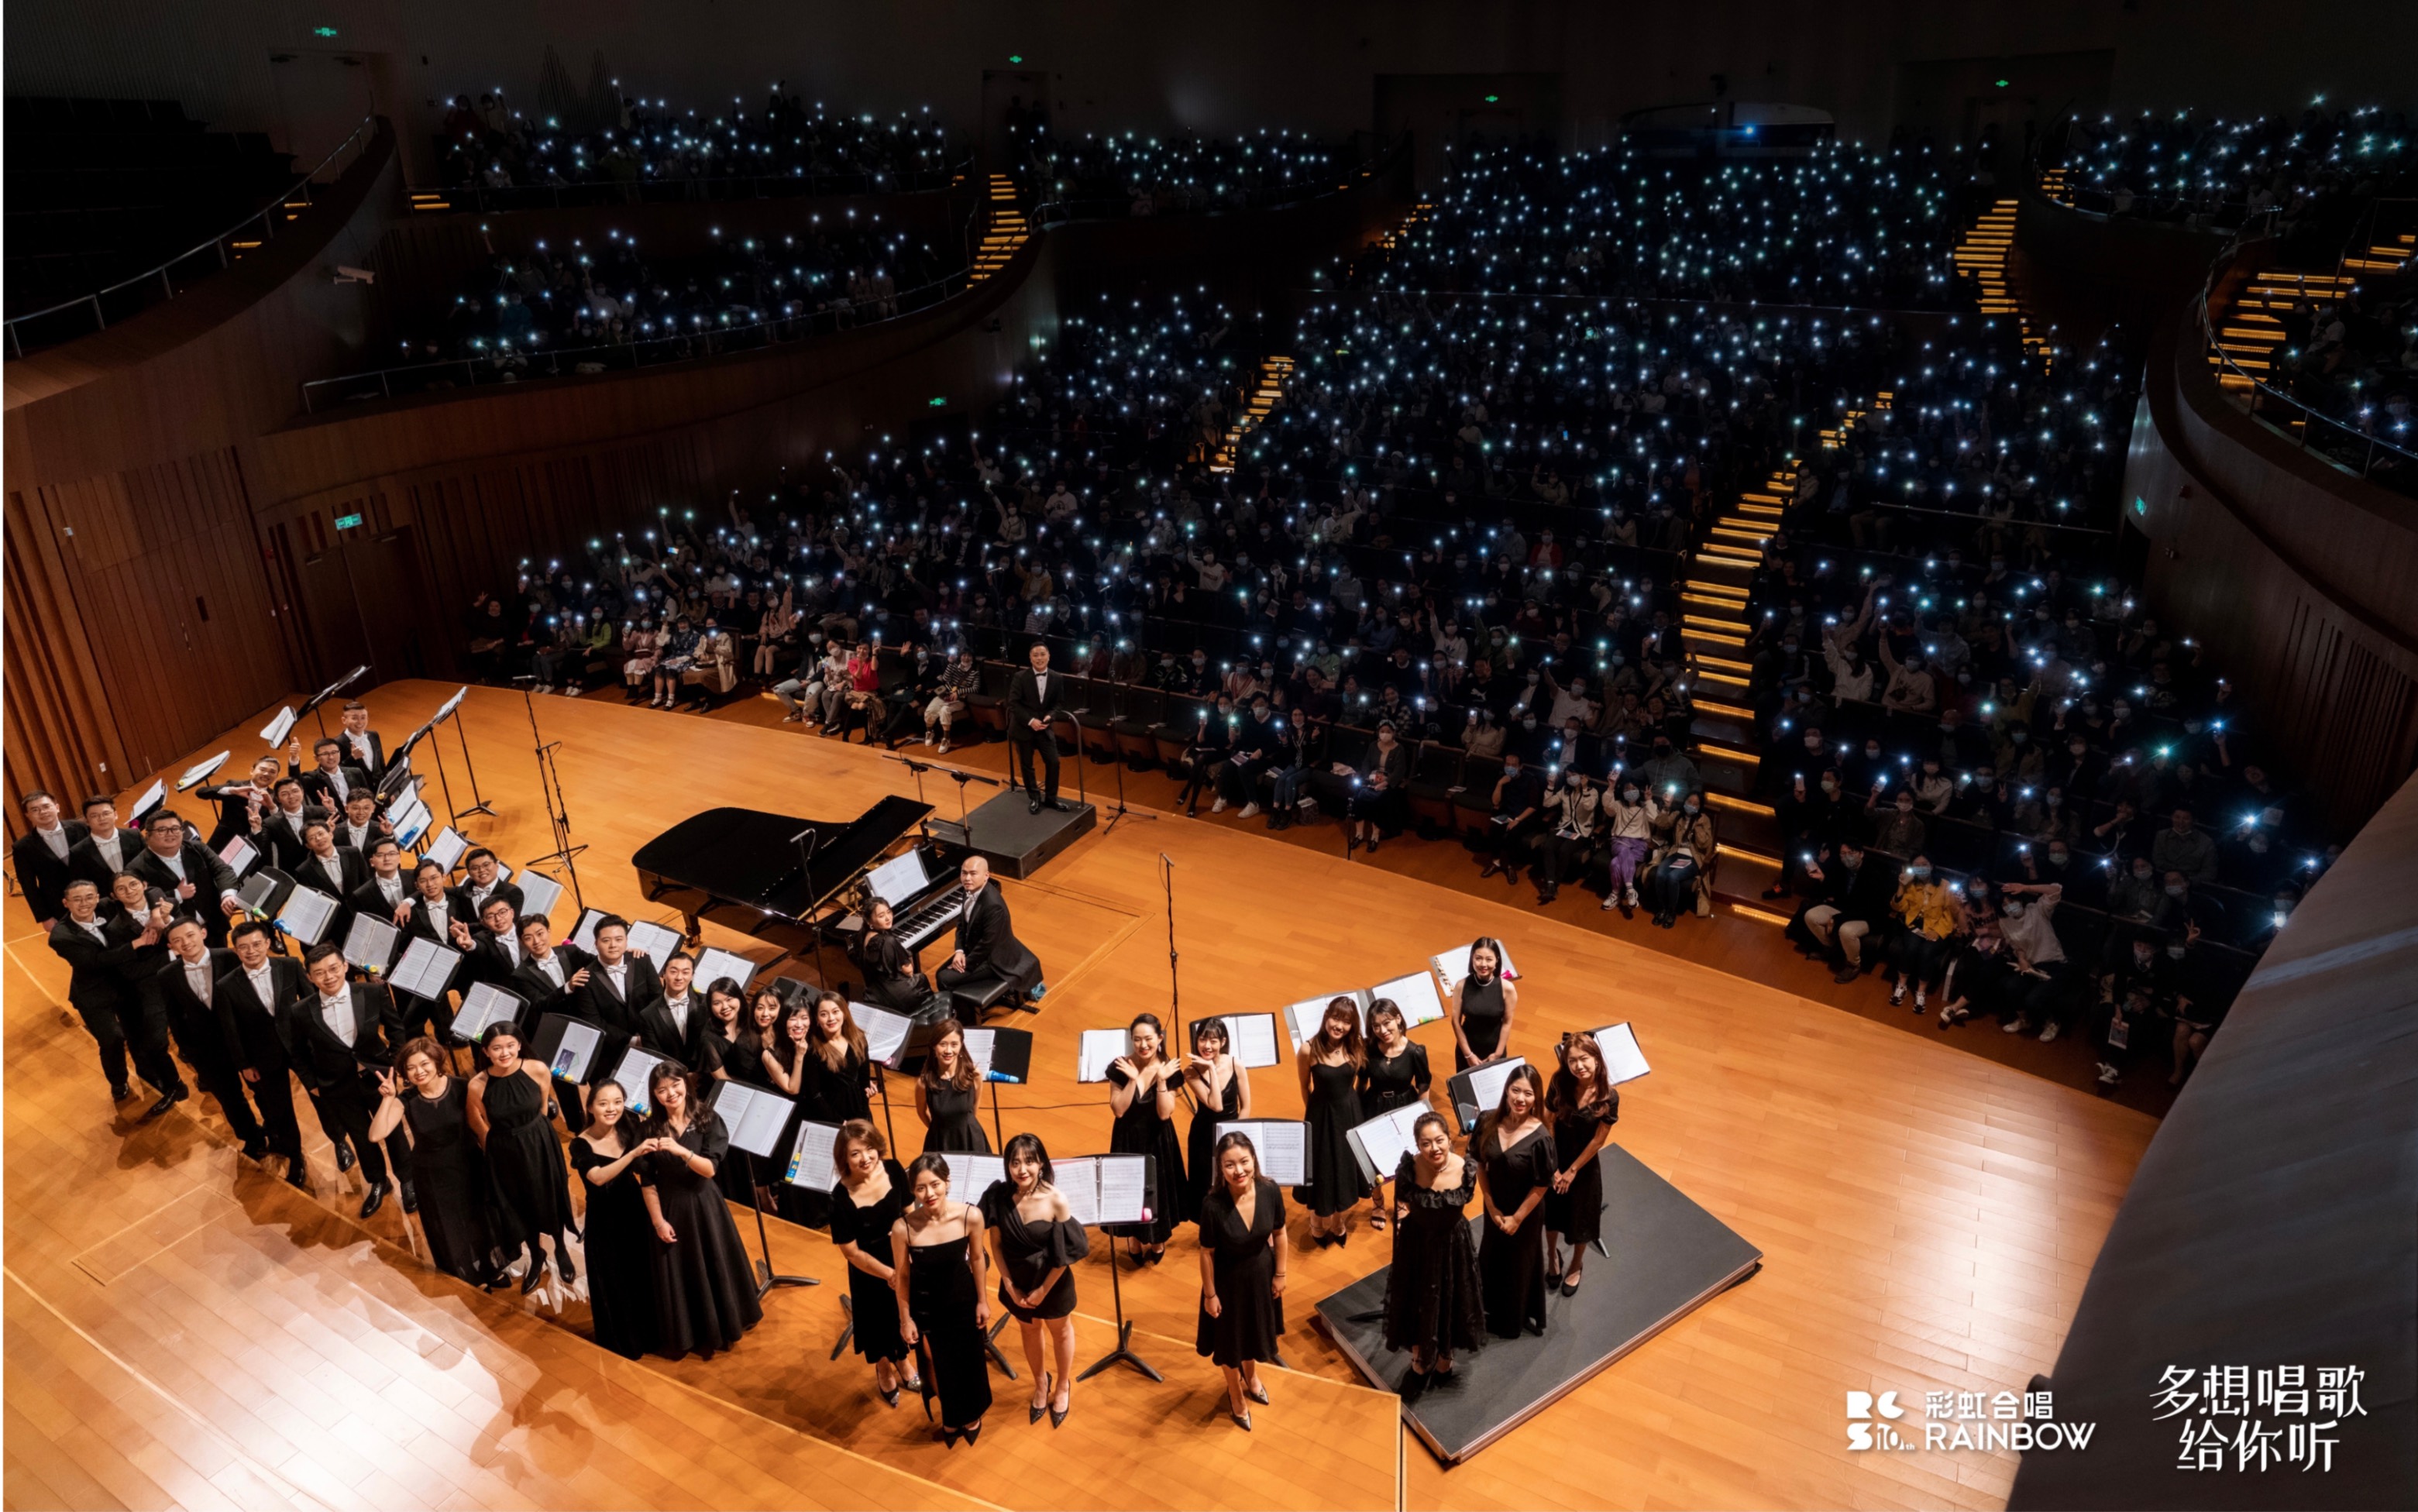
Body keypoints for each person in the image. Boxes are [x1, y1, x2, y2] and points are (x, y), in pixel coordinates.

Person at [635, 1062, 764, 1357]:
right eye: (662, 1090)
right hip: (671, 1208)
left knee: (714, 1264)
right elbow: (647, 1183)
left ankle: (725, 1325)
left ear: (686, 1083)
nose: (671, 1093)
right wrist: (658, 1223)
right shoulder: (648, 1129)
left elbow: (709, 1170)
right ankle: (690, 1334)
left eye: (675, 1085)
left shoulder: (707, 1118)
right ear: (654, 1095)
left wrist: (681, 1150)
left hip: (706, 1206)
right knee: (683, 1274)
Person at [368, 1036, 507, 1289]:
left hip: (470, 1164)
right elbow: (376, 1135)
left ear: (437, 1062)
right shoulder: (406, 1100)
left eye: (424, 1064)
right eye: (411, 1068)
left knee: (482, 1218)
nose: (419, 1072)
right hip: (432, 1174)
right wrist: (388, 1099)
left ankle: (493, 1268)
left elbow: (485, 1124)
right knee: (451, 1226)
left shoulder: (463, 1087)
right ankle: (471, 1276)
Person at [282, 942, 406, 1218]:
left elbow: (397, 1030)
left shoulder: (372, 992)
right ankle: (377, 1181)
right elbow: (297, 1051)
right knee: (361, 1137)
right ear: (310, 977)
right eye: (320, 973)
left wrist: (394, 1069)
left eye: (333, 968)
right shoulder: (300, 1011)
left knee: (394, 1130)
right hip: (336, 1085)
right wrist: (311, 1082)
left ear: (345, 966)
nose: (329, 977)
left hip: (379, 1077)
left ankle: (407, 1180)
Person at [47, 877, 184, 1118]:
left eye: (89, 897)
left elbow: (150, 890)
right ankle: (118, 1081)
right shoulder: (60, 936)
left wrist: (154, 912)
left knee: (138, 1037)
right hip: (93, 993)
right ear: (65, 903)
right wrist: (137, 943)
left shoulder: (108, 908)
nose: (84, 903)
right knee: (112, 1038)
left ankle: (157, 1081)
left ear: (98, 898)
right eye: (77, 900)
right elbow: (95, 962)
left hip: (125, 985)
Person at [981, 1133, 1086, 1427]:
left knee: (1060, 1331)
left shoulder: (1056, 1200)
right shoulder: (1000, 1198)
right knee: (1029, 1330)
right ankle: (1041, 1383)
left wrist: (1042, 1290)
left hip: (1051, 1281)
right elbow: (997, 1243)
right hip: (1017, 1281)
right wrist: (1009, 1284)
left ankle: (1063, 1384)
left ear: (1041, 1163)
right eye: (1015, 1163)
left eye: (1029, 1161)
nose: (1022, 1169)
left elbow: (1064, 1257)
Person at [468, 1022, 578, 1294]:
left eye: (510, 1045)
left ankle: (561, 1248)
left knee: (549, 1195)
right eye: (496, 1048)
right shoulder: (477, 1084)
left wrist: (535, 1133)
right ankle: (536, 1253)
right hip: (504, 1149)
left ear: (519, 1045)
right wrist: (492, 1148)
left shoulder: (537, 1069)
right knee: (518, 1205)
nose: (504, 1053)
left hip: (539, 1141)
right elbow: (479, 1120)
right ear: (486, 1051)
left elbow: (543, 1107)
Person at [891, 1153, 993, 1445]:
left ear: (947, 1182)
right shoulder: (903, 1228)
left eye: (935, 1184)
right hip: (926, 1306)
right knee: (935, 1361)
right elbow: (903, 1276)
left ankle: (971, 1413)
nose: (929, 1194)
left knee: (968, 1359)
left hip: (963, 1300)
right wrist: (905, 1318)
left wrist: (982, 1301)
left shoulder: (970, 1216)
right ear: (913, 1191)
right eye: (921, 1188)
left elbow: (977, 1259)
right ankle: (951, 1414)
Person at [155, 917, 270, 1160]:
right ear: (171, 948)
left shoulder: (230, 957)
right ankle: (251, 1137)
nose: (186, 943)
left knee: (263, 1090)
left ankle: (277, 1130)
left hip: (245, 1042)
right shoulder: (167, 975)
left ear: (204, 933)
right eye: (177, 941)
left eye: (190, 935)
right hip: (206, 1050)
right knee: (230, 1099)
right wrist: (189, 1051)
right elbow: (173, 1017)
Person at [1195, 1131, 1288, 1431]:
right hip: (1227, 1282)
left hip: (1261, 1275)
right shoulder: (1213, 1205)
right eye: (1230, 1165)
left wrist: (1280, 1273)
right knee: (1229, 1340)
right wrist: (1210, 1295)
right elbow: (1206, 1253)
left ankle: (1251, 1374)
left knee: (1255, 1333)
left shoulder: (1270, 1190)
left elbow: (1280, 1233)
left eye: (1244, 1162)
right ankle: (1235, 1390)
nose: (1239, 1171)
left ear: (1254, 1161)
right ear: (1220, 1169)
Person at [1383, 1111, 1484, 1383]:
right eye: (1426, 1143)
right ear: (1417, 1145)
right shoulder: (1408, 1169)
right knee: (1417, 1300)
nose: (1434, 1148)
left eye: (1439, 1140)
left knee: (1451, 1298)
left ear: (1450, 1139)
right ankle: (1420, 1350)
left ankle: (1444, 1352)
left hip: (1453, 1245)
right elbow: (1402, 1202)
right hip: (1417, 1245)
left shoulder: (1465, 1168)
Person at [215, 918, 311, 1184]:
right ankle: (296, 1156)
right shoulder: (226, 985)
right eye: (244, 947)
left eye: (257, 944)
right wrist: (244, 1064)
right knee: (281, 1110)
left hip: (300, 1048)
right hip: (263, 1056)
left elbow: (311, 1004)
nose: (251, 950)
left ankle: (339, 1141)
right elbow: (230, 1030)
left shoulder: (290, 965)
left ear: (269, 943)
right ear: (235, 950)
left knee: (323, 1097)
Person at [830, 1120, 917, 1405]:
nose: (865, 1158)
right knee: (878, 1322)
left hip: (902, 1257)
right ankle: (883, 1367)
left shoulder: (893, 1169)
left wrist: (910, 1254)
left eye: (869, 1149)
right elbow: (851, 1252)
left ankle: (903, 1361)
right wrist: (889, 1273)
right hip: (869, 1269)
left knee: (902, 1315)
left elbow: (909, 1212)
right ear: (844, 1158)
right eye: (855, 1153)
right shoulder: (840, 1197)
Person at [570, 1079, 656, 1359]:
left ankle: (651, 1335)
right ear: (591, 1107)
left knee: (642, 1272)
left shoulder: (628, 1124)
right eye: (604, 1103)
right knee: (616, 1280)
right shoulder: (581, 1144)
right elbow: (597, 1178)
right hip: (605, 1220)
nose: (612, 1108)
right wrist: (633, 1153)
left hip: (634, 1208)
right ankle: (625, 1342)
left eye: (618, 1102)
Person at [1474, 1064, 1552, 1338]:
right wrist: (1491, 1205)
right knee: (1491, 1255)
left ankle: (1512, 1320)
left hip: (1526, 1212)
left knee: (1520, 1264)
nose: (1520, 1099)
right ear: (1506, 1091)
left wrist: (1517, 1218)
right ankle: (1486, 1310)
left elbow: (1542, 1184)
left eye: (1528, 1094)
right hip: (1494, 1206)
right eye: (1515, 1090)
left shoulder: (1541, 1136)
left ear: (1536, 1098)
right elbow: (1480, 1165)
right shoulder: (1487, 1121)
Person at [1106, 1012, 1186, 1260]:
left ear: (1160, 1038)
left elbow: (1164, 1113)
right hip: (1128, 1138)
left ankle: (1158, 1239)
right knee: (1131, 1190)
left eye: (1149, 1039)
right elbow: (1119, 1110)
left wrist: (1161, 1081)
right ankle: (1133, 1237)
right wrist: (1132, 1081)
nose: (1143, 1045)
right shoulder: (1121, 1066)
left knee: (1157, 1190)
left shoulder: (1169, 1069)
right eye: (1137, 1040)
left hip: (1158, 1139)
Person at [1542, 1033, 1618, 1297]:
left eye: (1584, 1059)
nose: (1579, 1066)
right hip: (1556, 1158)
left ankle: (1576, 1264)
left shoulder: (1609, 1096)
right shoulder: (1559, 1083)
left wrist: (1572, 1171)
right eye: (1572, 1061)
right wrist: (1553, 1167)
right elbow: (1548, 1122)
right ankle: (1552, 1257)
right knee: (1552, 1215)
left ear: (1596, 1059)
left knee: (1582, 1219)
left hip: (1584, 1166)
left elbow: (1598, 1140)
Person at [1296, 996, 1369, 1246]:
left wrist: (1354, 1104)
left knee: (1343, 1166)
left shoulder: (1356, 1045)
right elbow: (1305, 1086)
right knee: (1322, 1168)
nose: (1339, 1025)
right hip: (1320, 1114)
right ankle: (1317, 1222)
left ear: (1352, 1025)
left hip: (1349, 1113)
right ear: (1326, 1016)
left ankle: (1338, 1221)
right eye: (1335, 1018)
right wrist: (1314, 1114)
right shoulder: (1309, 1049)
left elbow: (1362, 1079)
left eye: (1346, 1022)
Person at [1357, 998, 1433, 1231]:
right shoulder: (1369, 1048)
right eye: (1376, 1026)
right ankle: (1377, 1202)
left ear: (1398, 1019)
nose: (1382, 1031)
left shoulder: (1416, 1052)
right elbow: (1361, 1082)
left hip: (1404, 1106)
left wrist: (1426, 1120)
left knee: (1405, 1159)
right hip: (1374, 1105)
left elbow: (1423, 1086)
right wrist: (1356, 1114)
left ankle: (1401, 1201)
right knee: (1372, 1159)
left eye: (1387, 1023)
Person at [933, 855, 1044, 1006]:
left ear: (986, 876)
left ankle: (964, 1013)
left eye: (973, 873)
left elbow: (988, 944)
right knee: (940, 973)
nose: (967, 878)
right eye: (964, 873)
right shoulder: (969, 890)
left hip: (994, 959)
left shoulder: (993, 905)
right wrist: (959, 951)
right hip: (975, 949)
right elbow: (961, 924)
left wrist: (966, 963)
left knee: (944, 978)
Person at [1181, 1017, 1251, 1225]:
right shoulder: (1190, 1071)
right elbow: (1216, 1105)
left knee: (1233, 1181)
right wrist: (1211, 1069)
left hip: (1231, 1132)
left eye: (1213, 1041)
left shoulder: (1235, 1064)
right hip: (1204, 1135)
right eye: (1203, 1040)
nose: (1207, 1046)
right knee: (1207, 1186)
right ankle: (1211, 1229)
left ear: (1223, 1041)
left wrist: (1237, 1138)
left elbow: (1246, 1106)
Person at [1883, 856, 1966, 1015]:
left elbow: (1951, 914)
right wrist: (1901, 886)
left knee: (1927, 952)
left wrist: (1938, 931)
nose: (1921, 868)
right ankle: (1902, 985)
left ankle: (1921, 991)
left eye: (1924, 864)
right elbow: (1899, 907)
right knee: (1911, 947)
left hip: (1937, 928)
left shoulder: (1945, 886)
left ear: (1932, 866)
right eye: (1917, 865)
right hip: (1914, 926)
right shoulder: (1911, 883)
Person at [1007, 641, 1071, 814]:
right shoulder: (1020, 677)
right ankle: (1034, 798)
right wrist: (1031, 721)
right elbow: (1013, 703)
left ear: (1049, 656)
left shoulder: (1057, 678)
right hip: (1023, 727)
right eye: (1035, 655)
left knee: (1054, 762)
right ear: (1030, 658)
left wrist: (1051, 717)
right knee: (1027, 765)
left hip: (1044, 728)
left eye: (1042, 654)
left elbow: (1059, 704)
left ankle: (1051, 799)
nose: (1039, 658)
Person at [15, 791, 91, 930]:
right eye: (35, 810)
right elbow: (29, 886)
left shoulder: (81, 828)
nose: (42, 812)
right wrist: (45, 917)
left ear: (57, 807)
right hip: (59, 907)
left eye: (46, 807)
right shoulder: (22, 847)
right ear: (27, 815)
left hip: (94, 897)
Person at [800, 991, 875, 1125]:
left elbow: (864, 1081)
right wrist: (841, 1123)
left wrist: (862, 1118)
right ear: (817, 1019)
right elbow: (815, 1095)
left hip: (859, 1114)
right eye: (824, 1014)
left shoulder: (859, 1039)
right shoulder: (813, 1051)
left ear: (844, 1013)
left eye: (835, 1011)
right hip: (831, 1119)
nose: (831, 1018)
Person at [1641, 793, 1717, 927]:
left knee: (1673, 877)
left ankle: (1671, 912)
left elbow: (1705, 844)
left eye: (1695, 804)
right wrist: (1667, 806)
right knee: (1660, 873)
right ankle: (1663, 908)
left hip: (1693, 858)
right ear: (1684, 801)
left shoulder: (1703, 820)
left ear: (1700, 806)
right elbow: (1661, 823)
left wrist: (1696, 829)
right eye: (1689, 801)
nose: (1691, 805)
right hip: (1676, 853)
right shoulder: (1678, 815)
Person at [916, 1020, 991, 1153]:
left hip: (970, 1139)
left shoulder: (973, 1075)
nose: (948, 1051)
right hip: (940, 1141)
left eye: (954, 1044)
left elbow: (973, 1110)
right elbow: (921, 1112)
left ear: (961, 1045)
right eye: (942, 1044)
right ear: (934, 1046)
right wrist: (936, 1129)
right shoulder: (924, 1082)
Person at [848, 898, 934, 1013]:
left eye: (889, 912)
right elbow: (909, 971)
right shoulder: (888, 941)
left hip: (876, 996)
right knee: (922, 978)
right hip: (897, 998)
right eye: (881, 916)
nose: (888, 918)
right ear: (869, 921)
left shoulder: (861, 937)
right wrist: (905, 954)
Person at [1448, 936, 1517, 1069]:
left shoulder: (1507, 989)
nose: (1483, 964)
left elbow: (1507, 1022)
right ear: (1472, 959)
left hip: (1495, 1049)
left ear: (1497, 960)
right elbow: (1455, 1021)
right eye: (1478, 958)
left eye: (1489, 959)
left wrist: (1498, 1054)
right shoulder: (1461, 986)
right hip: (1467, 1049)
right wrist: (1468, 1055)